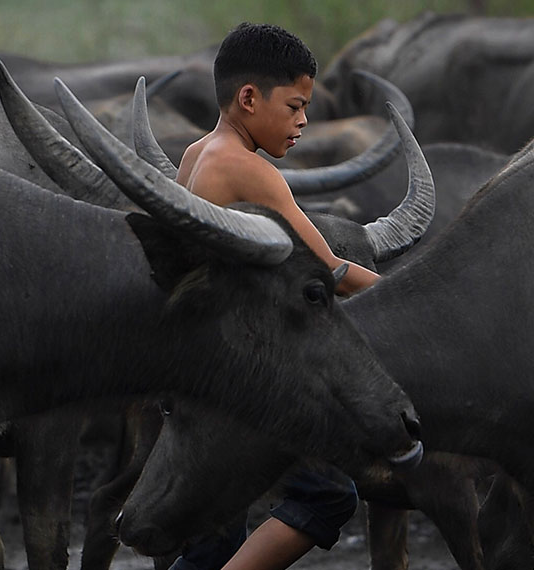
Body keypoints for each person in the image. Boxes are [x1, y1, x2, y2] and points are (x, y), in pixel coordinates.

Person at [168, 22, 381, 570]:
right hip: (235, 381)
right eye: (294, 106)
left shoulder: (195, 155)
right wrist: (410, 293)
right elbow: (329, 270)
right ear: (248, 98)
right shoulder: (247, 170)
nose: (304, 121)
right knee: (328, 494)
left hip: (189, 372)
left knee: (208, 527)